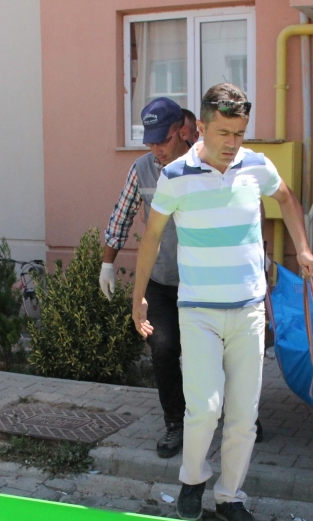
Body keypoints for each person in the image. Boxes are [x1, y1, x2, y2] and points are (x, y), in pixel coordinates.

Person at [132, 83, 313, 521]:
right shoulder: (175, 175)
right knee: (206, 407)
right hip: (197, 309)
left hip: (249, 309)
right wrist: (137, 296)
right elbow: (152, 238)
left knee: (243, 413)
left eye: (239, 133)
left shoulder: (256, 165)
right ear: (200, 126)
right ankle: (193, 479)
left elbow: (286, 198)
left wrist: (304, 249)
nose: (233, 143)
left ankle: (231, 495)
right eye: (223, 133)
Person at [101, 98, 197, 459]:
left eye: (164, 141)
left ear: (183, 133)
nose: (156, 150)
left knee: (218, 352)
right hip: (160, 280)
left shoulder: (205, 167)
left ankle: (238, 416)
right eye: (151, 142)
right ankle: (176, 423)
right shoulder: (142, 169)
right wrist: (107, 263)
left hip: (201, 282)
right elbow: (121, 216)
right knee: (163, 349)